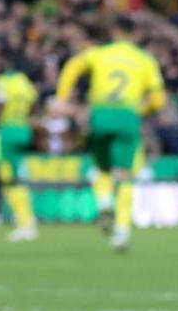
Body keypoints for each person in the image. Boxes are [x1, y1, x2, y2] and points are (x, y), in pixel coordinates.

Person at [53, 14, 165, 252]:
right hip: (127, 116)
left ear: (114, 33)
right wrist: (139, 110)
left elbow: (73, 66)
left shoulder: (100, 54)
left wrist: (62, 97)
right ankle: (122, 231)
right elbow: (158, 100)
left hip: (101, 114)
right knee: (124, 175)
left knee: (100, 168)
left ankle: (104, 203)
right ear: (135, 35)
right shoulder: (144, 59)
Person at [0, 61, 41, 241]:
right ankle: (28, 219)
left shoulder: (2, 82)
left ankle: (24, 222)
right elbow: (35, 104)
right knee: (15, 176)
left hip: (6, 132)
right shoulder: (24, 82)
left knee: (6, 177)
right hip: (23, 131)